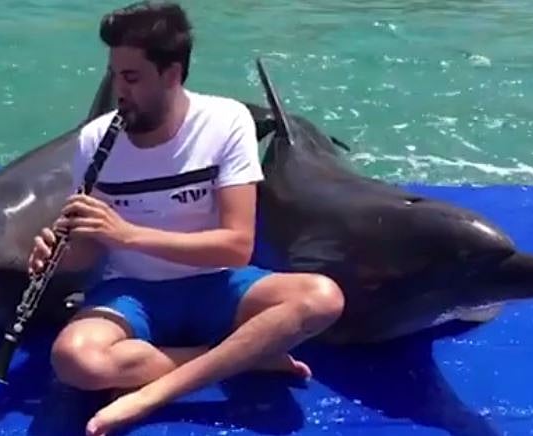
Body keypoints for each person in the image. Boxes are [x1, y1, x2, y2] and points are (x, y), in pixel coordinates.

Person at [27, 1, 345, 435]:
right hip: (133, 292)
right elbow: (86, 252)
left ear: (172, 74)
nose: (120, 90)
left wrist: (129, 234)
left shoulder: (224, 121)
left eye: (132, 77)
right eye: (115, 75)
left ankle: (154, 390)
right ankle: (243, 354)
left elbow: (236, 247)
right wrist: (56, 257)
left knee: (322, 297)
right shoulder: (94, 141)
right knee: (75, 360)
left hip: (218, 282)